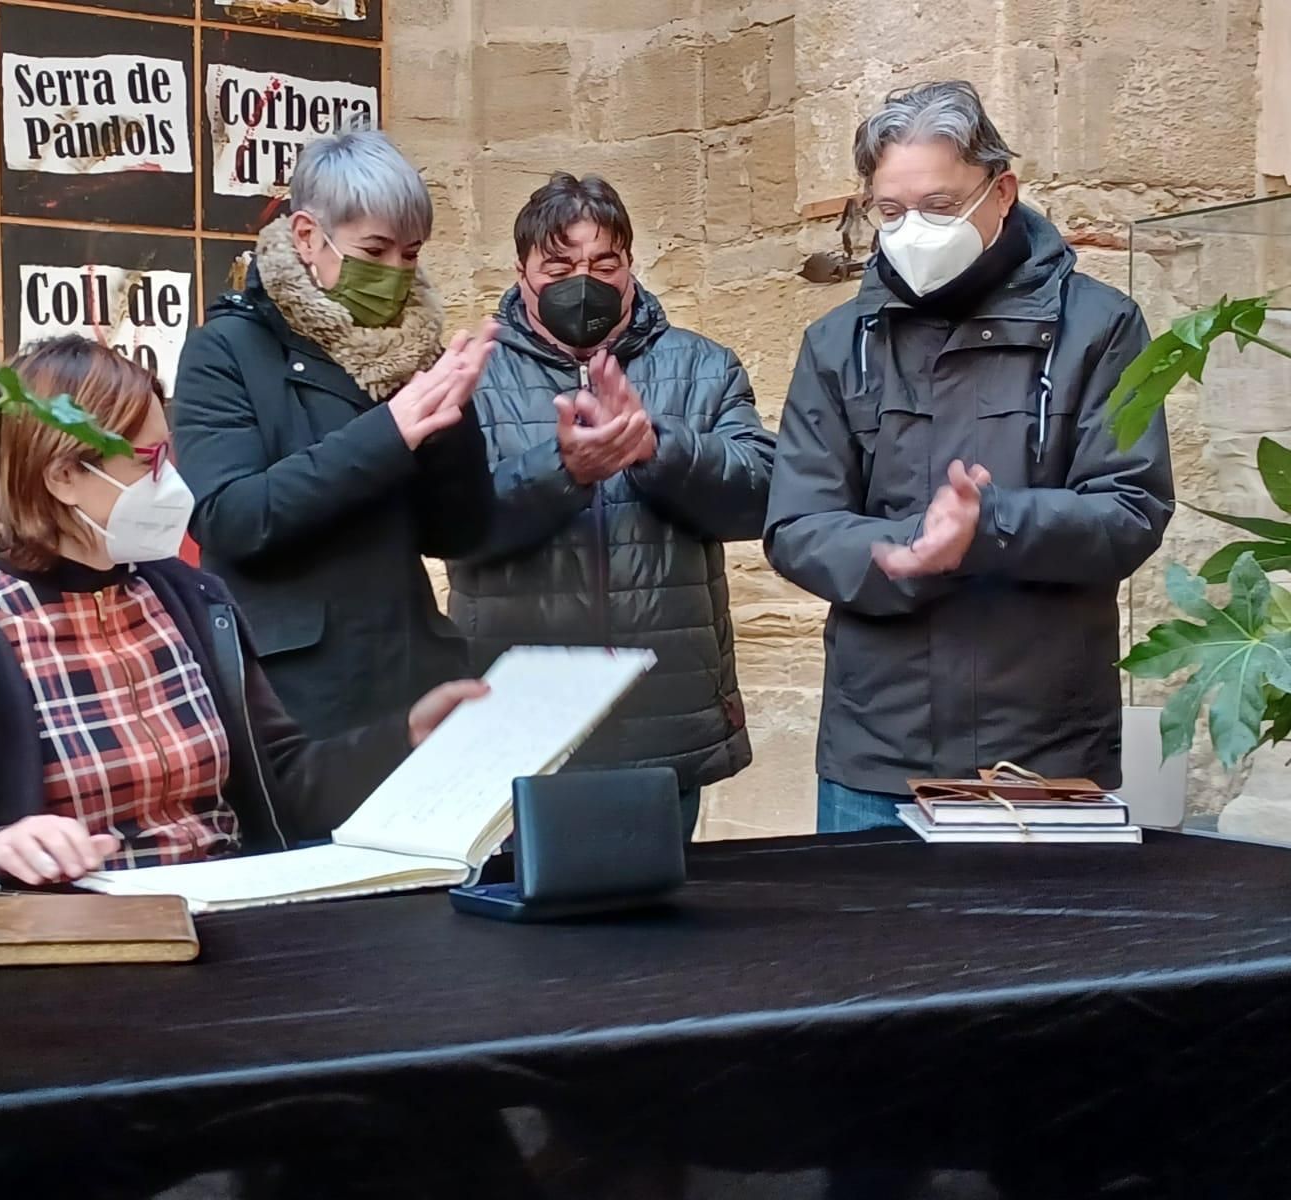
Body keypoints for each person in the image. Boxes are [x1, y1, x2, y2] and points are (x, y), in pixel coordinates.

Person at [0, 337, 486, 884]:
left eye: (170, 456)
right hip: (74, 936)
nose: (171, 481)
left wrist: (404, 739)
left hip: (232, 914)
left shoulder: (192, 600)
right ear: (64, 476)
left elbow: (282, 781)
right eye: (148, 462)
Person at [764, 80, 1175, 839]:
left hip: (1043, 752)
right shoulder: (838, 343)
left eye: (940, 205)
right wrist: (902, 553)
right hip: (878, 750)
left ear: (1001, 192)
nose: (913, 230)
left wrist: (992, 526)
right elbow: (797, 524)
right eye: (891, 211)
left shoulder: (1099, 326)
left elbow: (1130, 508)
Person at [446, 173, 775, 840]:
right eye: (559, 266)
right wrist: (561, 472)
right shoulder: (472, 378)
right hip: (516, 717)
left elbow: (764, 496)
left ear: (629, 266)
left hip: (664, 712)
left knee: (660, 905)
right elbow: (450, 526)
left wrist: (658, 450)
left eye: (603, 264)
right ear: (521, 271)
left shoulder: (704, 368)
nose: (583, 282)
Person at [172, 129, 496, 743]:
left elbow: (461, 536)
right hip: (298, 701)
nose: (395, 272)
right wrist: (389, 433)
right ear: (306, 236)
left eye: (410, 254)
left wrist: (451, 427)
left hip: (413, 678)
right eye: (374, 250)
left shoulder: (415, 355)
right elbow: (230, 517)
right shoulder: (226, 350)